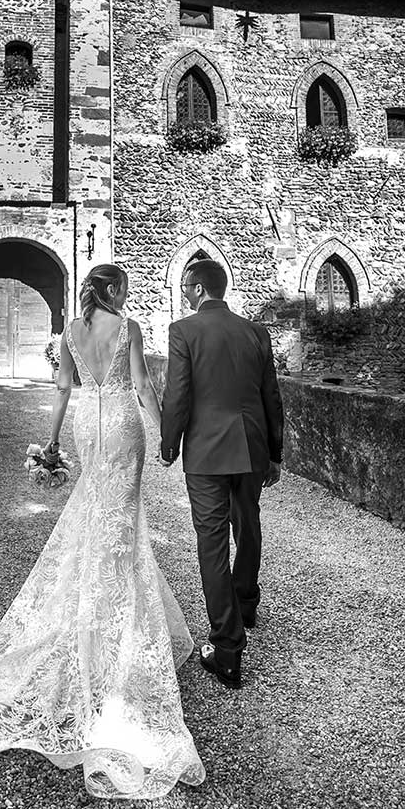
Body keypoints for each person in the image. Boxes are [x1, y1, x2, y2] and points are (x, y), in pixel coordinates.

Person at [0, 263, 205, 800]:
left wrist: (50, 442)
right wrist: (169, 435)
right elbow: (142, 385)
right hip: (121, 423)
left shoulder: (70, 332)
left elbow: (65, 388)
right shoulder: (129, 327)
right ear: (113, 290)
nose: (126, 293)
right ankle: (114, 639)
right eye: (122, 286)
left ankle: (92, 621)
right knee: (120, 522)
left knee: (96, 518)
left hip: (86, 426)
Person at [158, 258, 284, 688]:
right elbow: (271, 395)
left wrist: (169, 442)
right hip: (251, 445)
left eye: (184, 287)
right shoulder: (255, 331)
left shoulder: (184, 331)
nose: (183, 294)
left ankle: (227, 648)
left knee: (211, 542)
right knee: (248, 525)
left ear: (197, 289)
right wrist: (276, 453)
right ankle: (246, 602)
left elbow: (178, 392)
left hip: (207, 451)